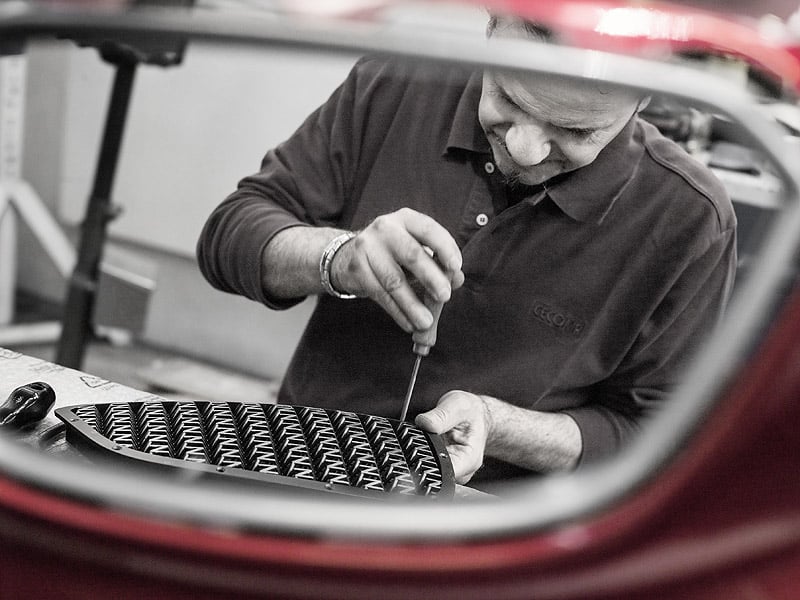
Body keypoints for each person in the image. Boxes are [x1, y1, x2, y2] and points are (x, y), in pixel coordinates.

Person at [197, 14, 736, 489]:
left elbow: (654, 437)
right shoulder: (398, 82)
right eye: (507, 97)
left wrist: (496, 426)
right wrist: (340, 257)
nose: (524, 149)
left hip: (498, 531)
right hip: (303, 469)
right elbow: (228, 238)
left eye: (574, 130)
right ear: (491, 26)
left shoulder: (689, 220)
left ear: (647, 95)